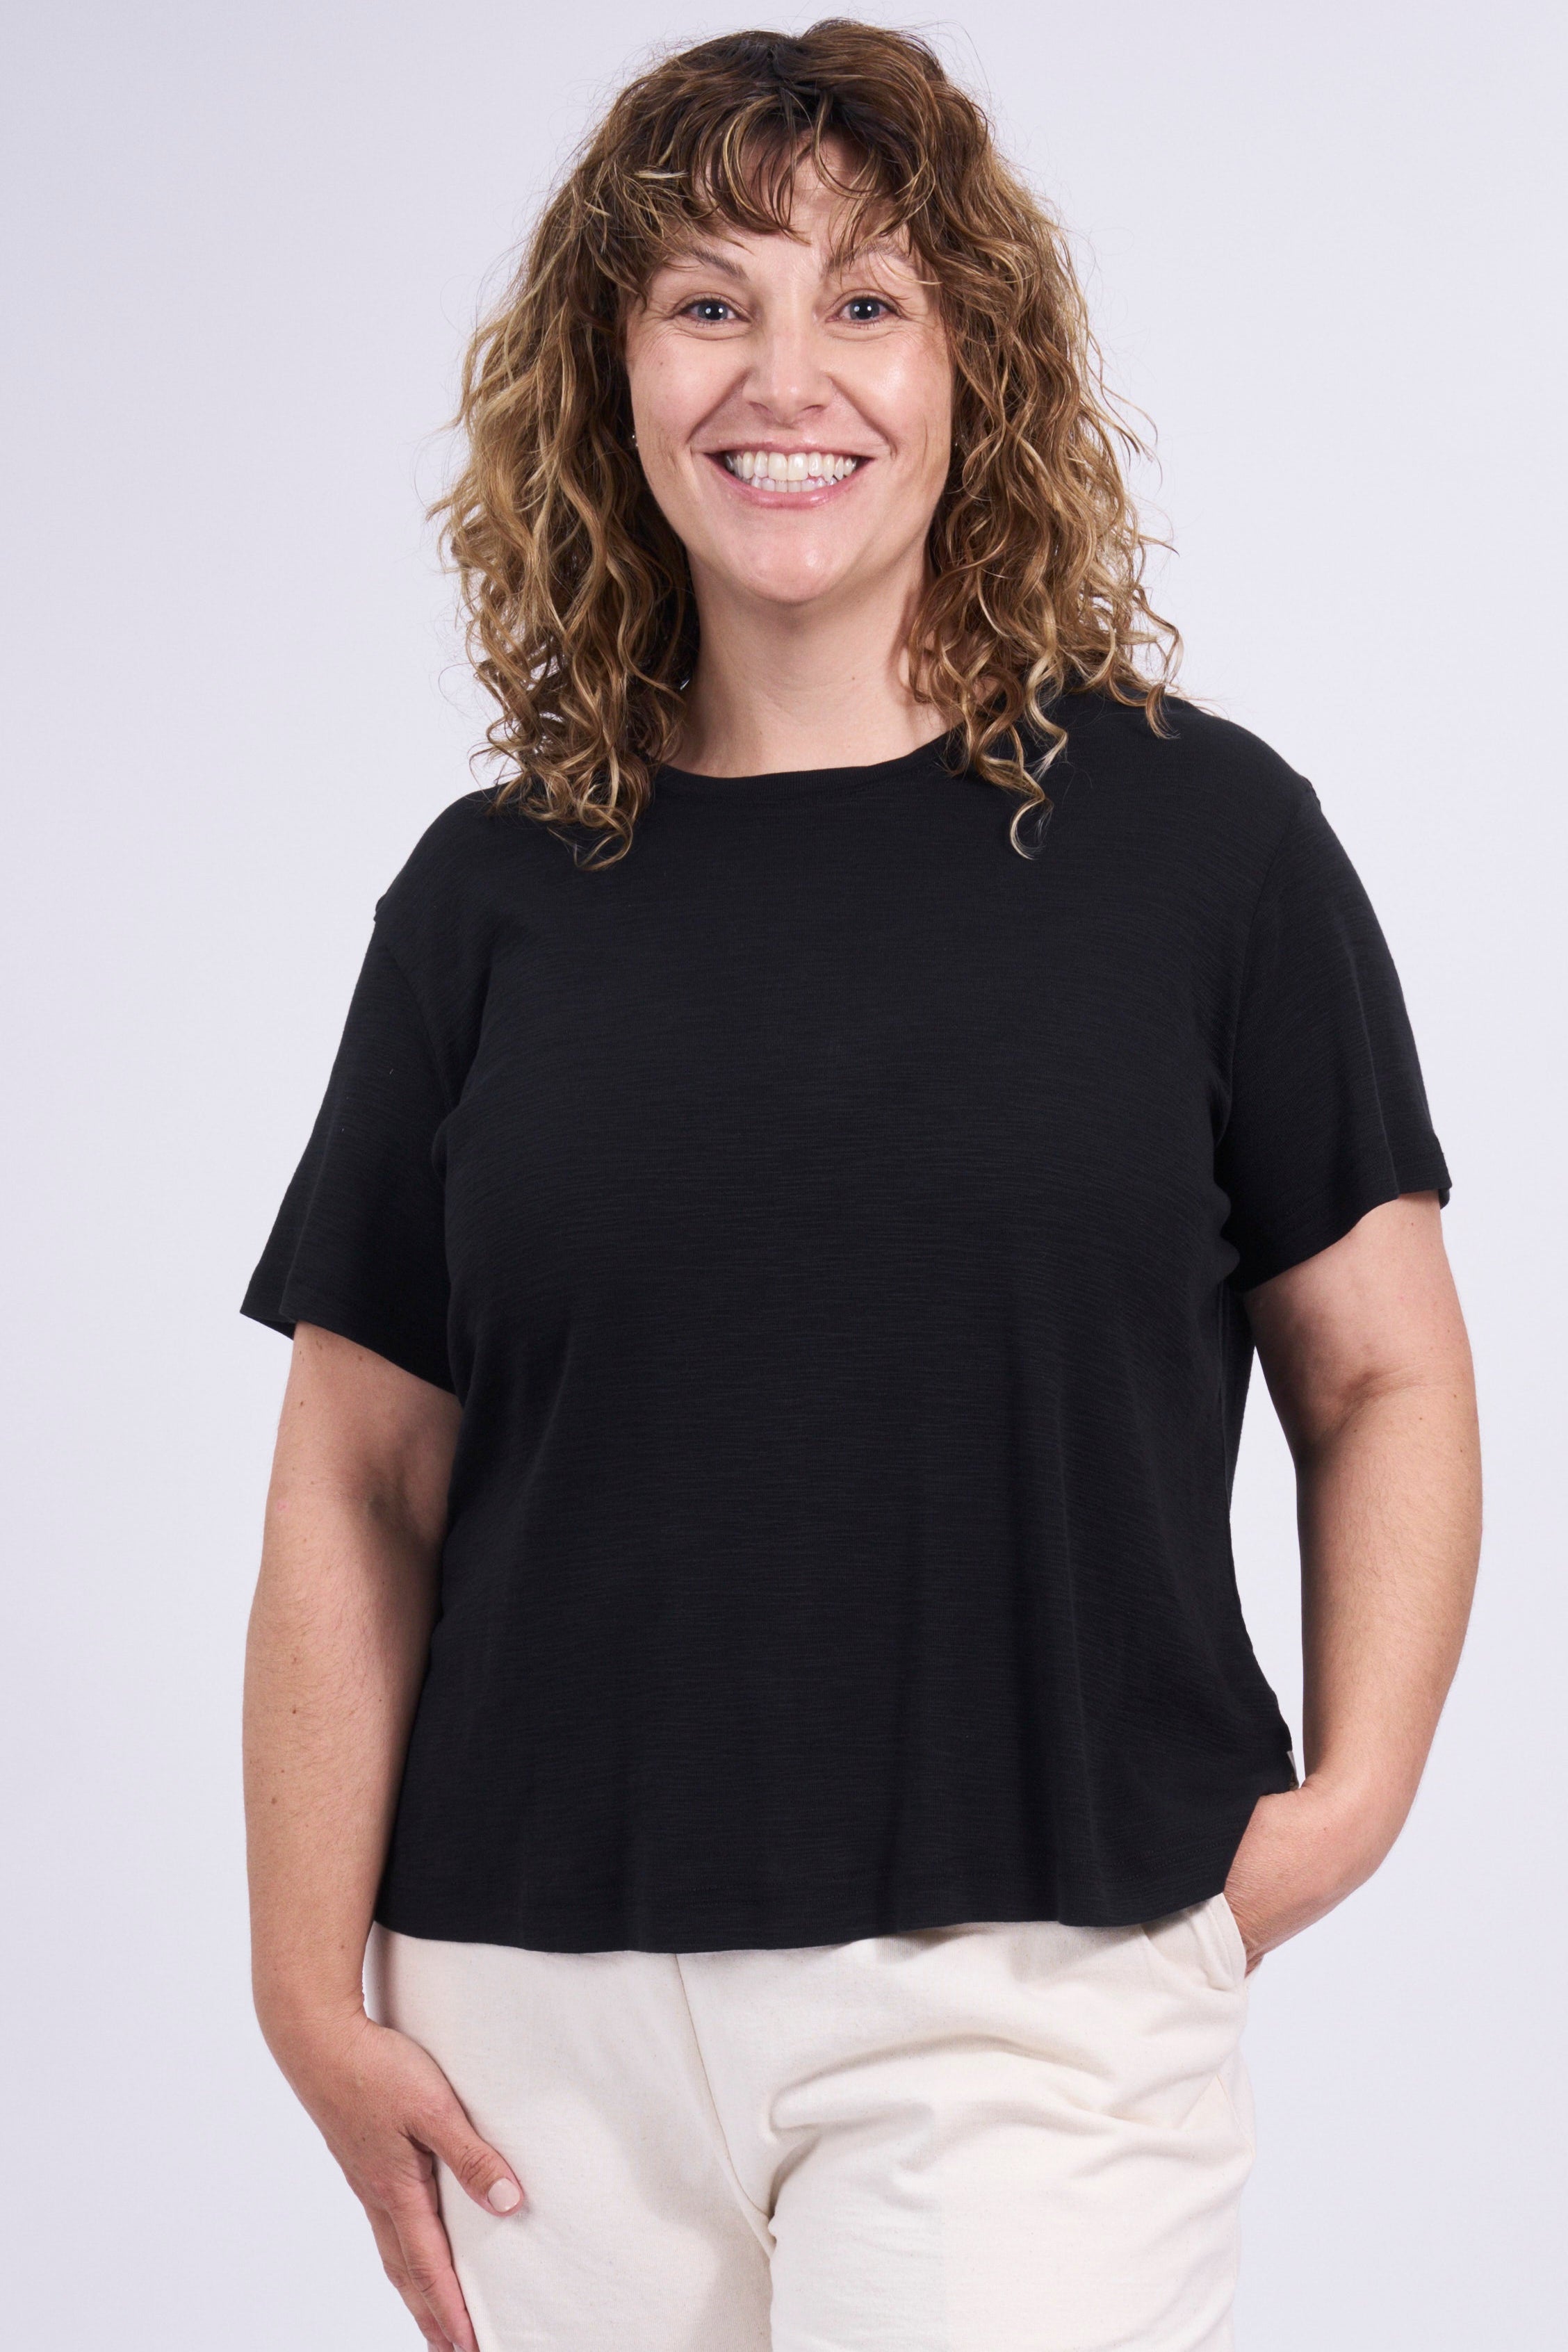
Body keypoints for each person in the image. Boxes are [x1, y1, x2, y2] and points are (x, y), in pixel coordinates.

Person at [239, 22, 1480, 2352]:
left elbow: (1387, 1366)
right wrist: (307, 1989)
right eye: (709, 300)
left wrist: (1348, 1800)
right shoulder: (488, 898)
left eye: (865, 302)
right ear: (612, 369)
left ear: (972, 366)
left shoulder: (1205, 849)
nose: (780, 374)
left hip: (1027, 1995)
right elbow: (358, 1476)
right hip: (536, 2024)